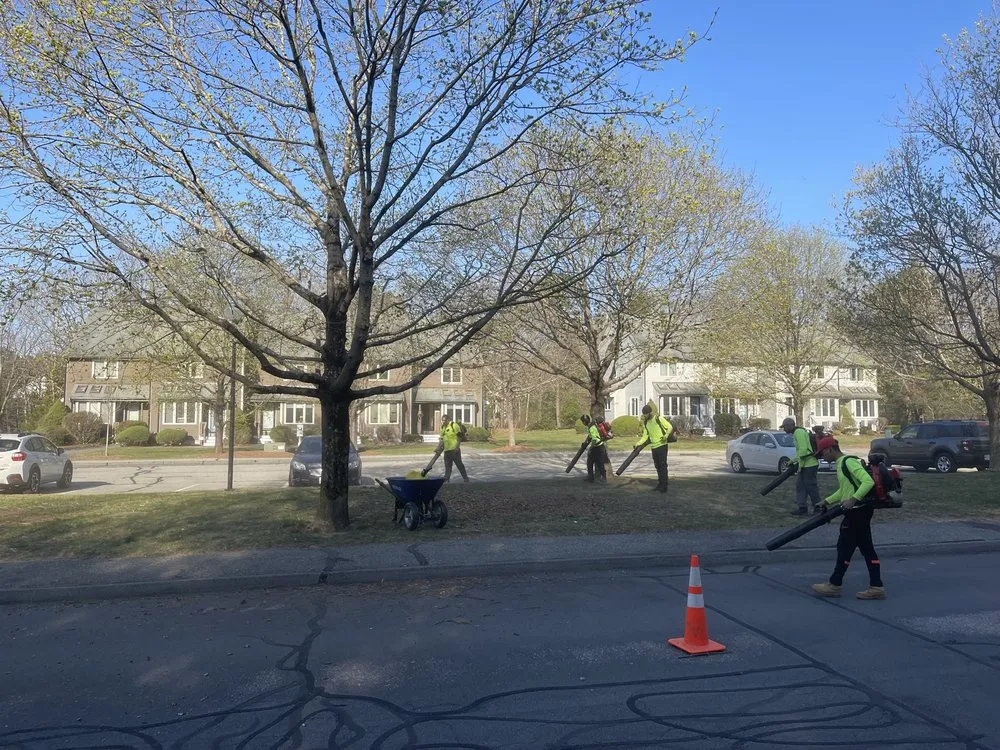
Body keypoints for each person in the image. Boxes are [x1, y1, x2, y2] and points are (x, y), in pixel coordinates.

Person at [811, 436, 886, 600]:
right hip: (860, 511)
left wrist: (854, 499)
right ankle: (876, 586)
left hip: (857, 511)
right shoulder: (842, 464)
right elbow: (845, 490)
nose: (822, 456)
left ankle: (834, 585)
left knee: (844, 548)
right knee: (866, 548)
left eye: (822, 453)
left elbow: (868, 482)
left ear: (830, 449)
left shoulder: (848, 462)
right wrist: (827, 501)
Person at [782, 416, 820, 515]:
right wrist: (792, 461)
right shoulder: (797, 432)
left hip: (810, 465)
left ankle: (818, 507)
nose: (784, 429)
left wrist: (800, 466)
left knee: (811, 487)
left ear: (790, 425)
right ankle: (802, 508)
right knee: (801, 486)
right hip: (805, 464)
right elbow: (801, 452)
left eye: (784, 426)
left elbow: (803, 450)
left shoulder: (798, 432)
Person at [637, 404, 673, 493]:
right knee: (657, 466)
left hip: (662, 445)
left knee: (663, 466)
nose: (644, 415)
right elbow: (645, 436)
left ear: (650, 412)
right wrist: (638, 443)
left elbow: (670, 427)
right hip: (654, 447)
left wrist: (666, 436)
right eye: (643, 414)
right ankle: (660, 484)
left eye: (646, 414)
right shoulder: (646, 423)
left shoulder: (658, 418)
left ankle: (664, 486)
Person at [440, 417, 469, 483]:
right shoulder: (442, 428)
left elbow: (460, 437)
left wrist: (457, 447)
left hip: (454, 450)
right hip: (447, 451)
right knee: (447, 467)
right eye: (442, 420)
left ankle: (465, 478)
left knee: (459, 465)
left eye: (444, 420)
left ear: (448, 420)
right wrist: (438, 448)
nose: (443, 422)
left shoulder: (453, 425)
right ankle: (447, 480)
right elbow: (442, 439)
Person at [580, 414, 607, 482]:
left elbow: (594, 439)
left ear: (584, 422)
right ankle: (593, 477)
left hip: (598, 447)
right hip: (599, 446)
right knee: (592, 462)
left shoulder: (591, 427)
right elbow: (590, 436)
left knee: (598, 463)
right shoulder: (591, 426)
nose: (583, 423)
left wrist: (591, 448)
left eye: (583, 421)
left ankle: (602, 478)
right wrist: (585, 442)